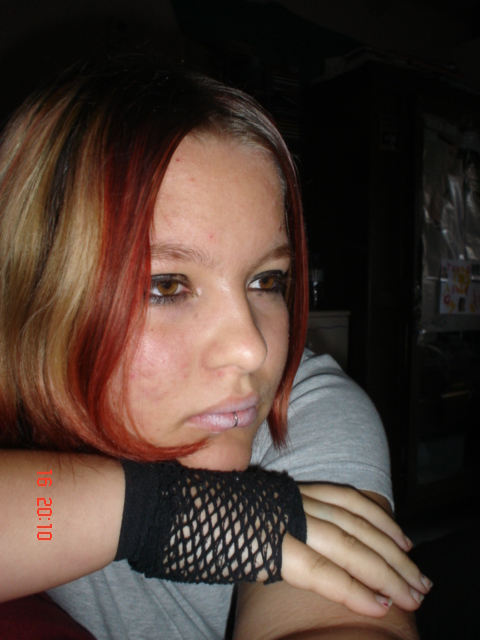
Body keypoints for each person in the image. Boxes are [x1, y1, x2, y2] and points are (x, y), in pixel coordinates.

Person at [0, 56, 431, 639]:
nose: (252, 350)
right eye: (166, 286)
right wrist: (156, 517)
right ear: (35, 293)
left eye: (266, 280)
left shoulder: (310, 412)